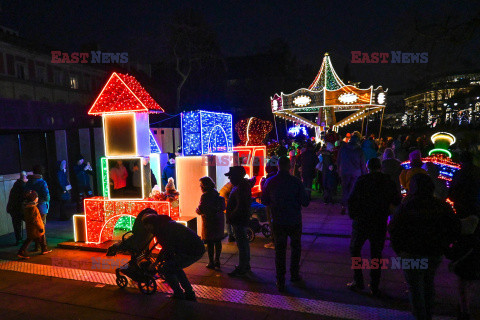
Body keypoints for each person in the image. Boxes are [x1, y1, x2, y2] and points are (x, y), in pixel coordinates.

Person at [389, 174, 461, 320]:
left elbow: (394, 229)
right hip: (434, 252)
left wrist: (399, 250)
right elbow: (455, 227)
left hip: (411, 253)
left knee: (415, 288)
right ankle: (428, 313)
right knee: (429, 282)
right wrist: (445, 245)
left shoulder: (406, 206)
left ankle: (421, 315)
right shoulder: (441, 205)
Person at [347, 158, 400, 296]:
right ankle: (374, 285)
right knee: (376, 254)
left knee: (355, 249)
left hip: (362, 221)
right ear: (380, 167)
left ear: (368, 167)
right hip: (379, 221)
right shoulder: (388, 181)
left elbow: (352, 199)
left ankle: (358, 280)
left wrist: (353, 215)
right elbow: (396, 200)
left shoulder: (362, 181)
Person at [262, 156, 309, 292]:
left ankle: (280, 280)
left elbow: (265, 201)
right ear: (289, 166)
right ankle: (294, 275)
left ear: (278, 166)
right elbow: (305, 202)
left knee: (280, 251)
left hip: (278, 221)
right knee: (296, 248)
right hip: (294, 220)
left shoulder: (270, 182)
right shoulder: (296, 182)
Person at [142, 214, 205, 301]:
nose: (146, 228)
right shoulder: (165, 225)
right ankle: (189, 293)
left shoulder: (162, 230)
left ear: (152, 224)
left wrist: (156, 262)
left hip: (192, 251)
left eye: (147, 225)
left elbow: (167, 248)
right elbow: (168, 247)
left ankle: (179, 294)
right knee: (175, 267)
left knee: (167, 269)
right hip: (195, 248)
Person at [448, 152, 480, 319]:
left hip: (464, 216)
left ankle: (464, 307)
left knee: (463, 263)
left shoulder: (459, 173)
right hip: (477, 216)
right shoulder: (478, 172)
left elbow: (452, 193)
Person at [225, 166, 252, 277]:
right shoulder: (240, 186)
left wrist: (231, 215)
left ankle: (242, 267)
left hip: (239, 220)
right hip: (240, 219)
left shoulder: (240, 187)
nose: (229, 178)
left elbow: (240, 205)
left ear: (237, 176)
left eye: (231, 176)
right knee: (243, 243)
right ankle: (245, 265)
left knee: (242, 244)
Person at [196, 176, 226, 269]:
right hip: (218, 220)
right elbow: (223, 208)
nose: (200, 187)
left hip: (209, 221)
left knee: (210, 242)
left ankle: (211, 262)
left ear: (204, 186)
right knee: (217, 241)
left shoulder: (205, 196)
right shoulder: (217, 194)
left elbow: (201, 209)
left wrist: (197, 210)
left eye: (200, 185)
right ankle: (217, 260)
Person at [17, 190, 52, 258]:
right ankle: (21, 252)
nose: (37, 198)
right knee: (30, 239)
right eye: (36, 197)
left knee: (40, 237)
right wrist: (40, 227)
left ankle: (44, 249)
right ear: (34, 199)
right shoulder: (33, 208)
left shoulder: (28, 207)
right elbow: (35, 220)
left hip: (31, 227)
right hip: (35, 227)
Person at [337, 134, 366, 215]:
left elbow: (338, 160)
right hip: (356, 173)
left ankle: (343, 206)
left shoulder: (343, 149)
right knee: (352, 190)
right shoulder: (359, 150)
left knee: (344, 189)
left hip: (344, 171)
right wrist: (364, 174)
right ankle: (350, 206)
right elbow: (362, 164)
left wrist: (338, 170)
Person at [261, 157, 279, 249]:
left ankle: (274, 241)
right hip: (279, 204)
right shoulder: (278, 176)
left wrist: (262, 183)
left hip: (271, 204)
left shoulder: (269, 178)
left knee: (272, 222)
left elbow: (265, 191)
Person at [6, 171, 27, 245]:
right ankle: (32, 238)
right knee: (29, 221)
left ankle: (19, 239)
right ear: (24, 177)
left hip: (13, 208)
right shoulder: (23, 186)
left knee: (16, 225)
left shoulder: (15, 185)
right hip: (19, 209)